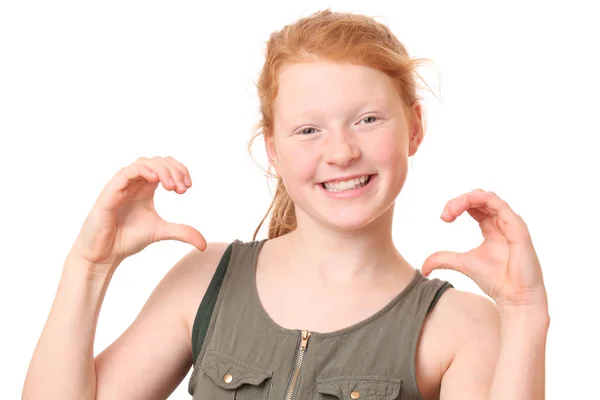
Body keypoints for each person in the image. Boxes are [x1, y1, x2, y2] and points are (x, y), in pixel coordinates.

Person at [22, 9, 549, 400]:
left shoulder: (461, 325)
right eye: (308, 130)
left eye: (367, 119)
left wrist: (524, 314)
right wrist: (89, 267)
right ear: (273, 150)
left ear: (414, 126)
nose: (341, 152)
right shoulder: (206, 279)